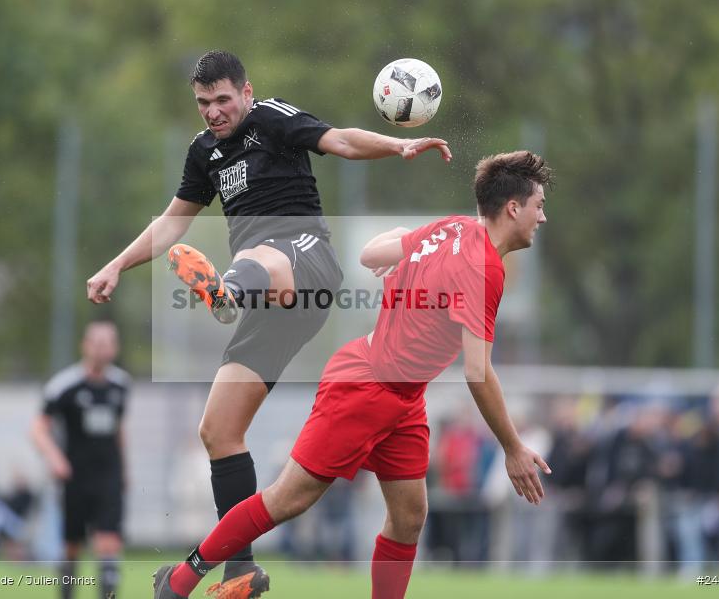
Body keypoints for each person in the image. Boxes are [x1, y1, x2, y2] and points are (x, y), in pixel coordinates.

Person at [85, 50, 451, 597]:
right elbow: (171, 223)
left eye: (222, 100)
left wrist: (396, 144)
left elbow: (342, 140)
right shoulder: (203, 153)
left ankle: (226, 292)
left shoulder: (270, 119)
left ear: (246, 91)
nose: (213, 112)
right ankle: (241, 572)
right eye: (204, 103)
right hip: (269, 302)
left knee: (259, 254)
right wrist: (116, 264)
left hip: (305, 264)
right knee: (219, 431)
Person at [152, 150, 554, 599]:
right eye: (538, 206)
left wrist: (402, 242)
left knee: (409, 516)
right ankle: (180, 581)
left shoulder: (452, 227)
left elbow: (370, 254)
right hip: (367, 387)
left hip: (402, 395)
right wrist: (513, 448)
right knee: (289, 499)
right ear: (513, 208)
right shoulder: (485, 268)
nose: (542, 217)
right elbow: (477, 373)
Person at [31, 320, 129, 599]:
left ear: (115, 347)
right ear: (85, 346)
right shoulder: (65, 386)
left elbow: (119, 429)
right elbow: (38, 429)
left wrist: (125, 470)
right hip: (75, 477)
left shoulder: (120, 385)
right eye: (97, 343)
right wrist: (55, 459)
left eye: (108, 343)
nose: (102, 349)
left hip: (108, 476)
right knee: (71, 547)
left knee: (109, 545)